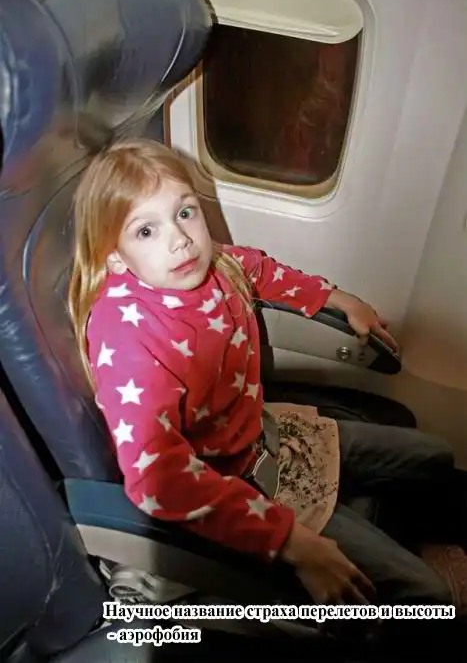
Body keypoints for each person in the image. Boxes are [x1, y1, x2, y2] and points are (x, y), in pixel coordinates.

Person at [68, 138, 456, 618]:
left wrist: (337, 300)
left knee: (437, 457)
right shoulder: (127, 332)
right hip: (231, 488)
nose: (180, 239)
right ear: (115, 258)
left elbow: (259, 269)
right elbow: (158, 477)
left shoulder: (212, 265)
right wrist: (291, 541)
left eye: (185, 212)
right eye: (146, 230)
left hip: (267, 436)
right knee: (432, 597)